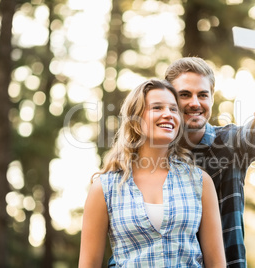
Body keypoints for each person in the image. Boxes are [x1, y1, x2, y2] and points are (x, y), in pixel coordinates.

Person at [108, 33, 255, 267]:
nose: (195, 103)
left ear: (212, 99)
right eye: (185, 95)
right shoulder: (145, 157)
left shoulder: (230, 144)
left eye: (203, 95)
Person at [79, 79, 226, 267]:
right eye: (157, 108)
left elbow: (216, 264)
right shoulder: (104, 188)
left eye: (174, 109)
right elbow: (88, 264)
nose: (168, 115)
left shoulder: (199, 182)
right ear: (135, 120)